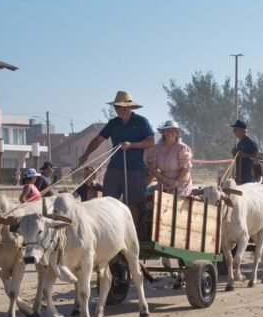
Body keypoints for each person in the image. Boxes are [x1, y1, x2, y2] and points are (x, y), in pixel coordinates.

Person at [78, 91, 156, 229]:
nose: (118, 110)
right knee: (108, 202)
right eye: (116, 107)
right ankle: (110, 233)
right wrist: (86, 154)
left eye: (120, 107)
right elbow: (98, 139)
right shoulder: (113, 123)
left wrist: (132, 145)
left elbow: (150, 141)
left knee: (133, 203)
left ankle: (134, 236)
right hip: (114, 167)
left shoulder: (141, 122)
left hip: (134, 169)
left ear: (128, 107)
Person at [145, 120, 193, 196]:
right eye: (167, 130)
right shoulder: (156, 148)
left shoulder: (182, 148)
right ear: (163, 133)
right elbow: (153, 169)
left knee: (172, 202)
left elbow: (185, 169)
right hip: (163, 182)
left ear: (177, 133)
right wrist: (167, 181)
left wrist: (175, 183)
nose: (170, 133)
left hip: (181, 183)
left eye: (173, 131)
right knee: (154, 201)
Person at [230, 120, 259, 184]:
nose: (233, 131)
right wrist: (234, 153)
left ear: (241, 130)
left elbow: (257, 156)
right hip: (239, 176)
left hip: (248, 177)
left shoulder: (250, 142)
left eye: (235, 129)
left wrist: (245, 155)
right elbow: (238, 156)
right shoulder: (239, 143)